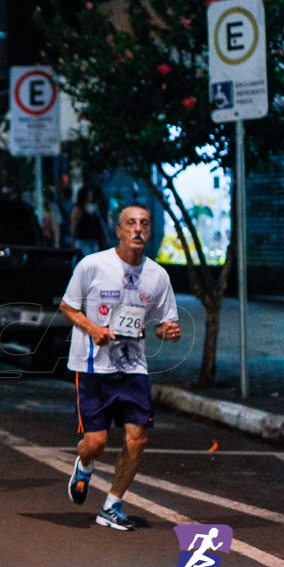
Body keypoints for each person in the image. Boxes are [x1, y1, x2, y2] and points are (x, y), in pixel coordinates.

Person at [60, 203, 181, 532]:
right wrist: (94, 329)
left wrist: (166, 331)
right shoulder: (93, 265)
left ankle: (112, 504)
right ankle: (84, 465)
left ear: (150, 231)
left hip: (132, 368)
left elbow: (162, 323)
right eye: (131, 223)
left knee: (137, 439)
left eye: (144, 223)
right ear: (119, 230)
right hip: (92, 366)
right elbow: (68, 307)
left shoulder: (158, 276)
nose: (138, 228)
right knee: (96, 443)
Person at [71, 185, 109, 257]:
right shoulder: (78, 209)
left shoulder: (94, 207)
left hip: (93, 239)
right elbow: (74, 226)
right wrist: (73, 240)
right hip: (83, 239)